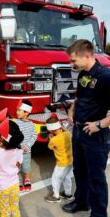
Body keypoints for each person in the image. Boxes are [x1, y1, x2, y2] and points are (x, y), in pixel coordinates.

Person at [62, 39, 110, 217]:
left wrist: (100, 124)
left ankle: (98, 214)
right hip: (79, 131)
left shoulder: (106, 76)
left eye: (73, 60)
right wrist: (72, 111)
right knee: (79, 170)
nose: (71, 63)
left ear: (87, 56)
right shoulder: (83, 74)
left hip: (95, 135)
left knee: (96, 178)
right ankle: (81, 202)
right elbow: (79, 97)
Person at [44, 113, 73, 203]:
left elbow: (50, 147)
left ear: (51, 130)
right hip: (70, 160)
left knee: (56, 178)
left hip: (61, 163)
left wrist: (50, 137)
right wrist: (61, 127)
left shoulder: (53, 140)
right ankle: (68, 194)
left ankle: (56, 196)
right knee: (67, 177)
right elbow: (63, 131)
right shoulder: (68, 134)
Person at [14, 99, 37, 192]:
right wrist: (19, 146)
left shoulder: (31, 124)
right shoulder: (15, 122)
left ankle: (27, 180)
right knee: (16, 166)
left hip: (27, 151)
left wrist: (27, 146)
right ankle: (17, 180)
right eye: (17, 110)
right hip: (17, 150)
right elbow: (13, 135)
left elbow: (34, 136)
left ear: (27, 113)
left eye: (19, 110)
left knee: (26, 166)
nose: (17, 112)